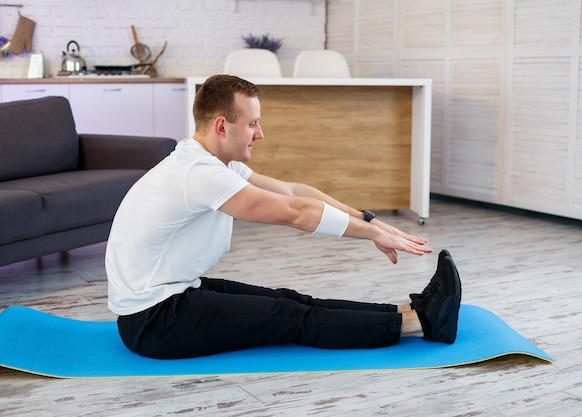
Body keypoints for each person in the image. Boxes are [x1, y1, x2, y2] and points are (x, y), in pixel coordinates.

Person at [106, 74, 462, 360]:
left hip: (171, 295)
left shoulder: (210, 161)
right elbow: (296, 214)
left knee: (289, 300)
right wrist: (371, 235)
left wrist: (369, 220)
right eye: (253, 124)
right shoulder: (198, 174)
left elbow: (292, 192)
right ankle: (421, 325)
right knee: (288, 317)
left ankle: (411, 312)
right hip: (153, 322)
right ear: (221, 126)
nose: (260, 134)